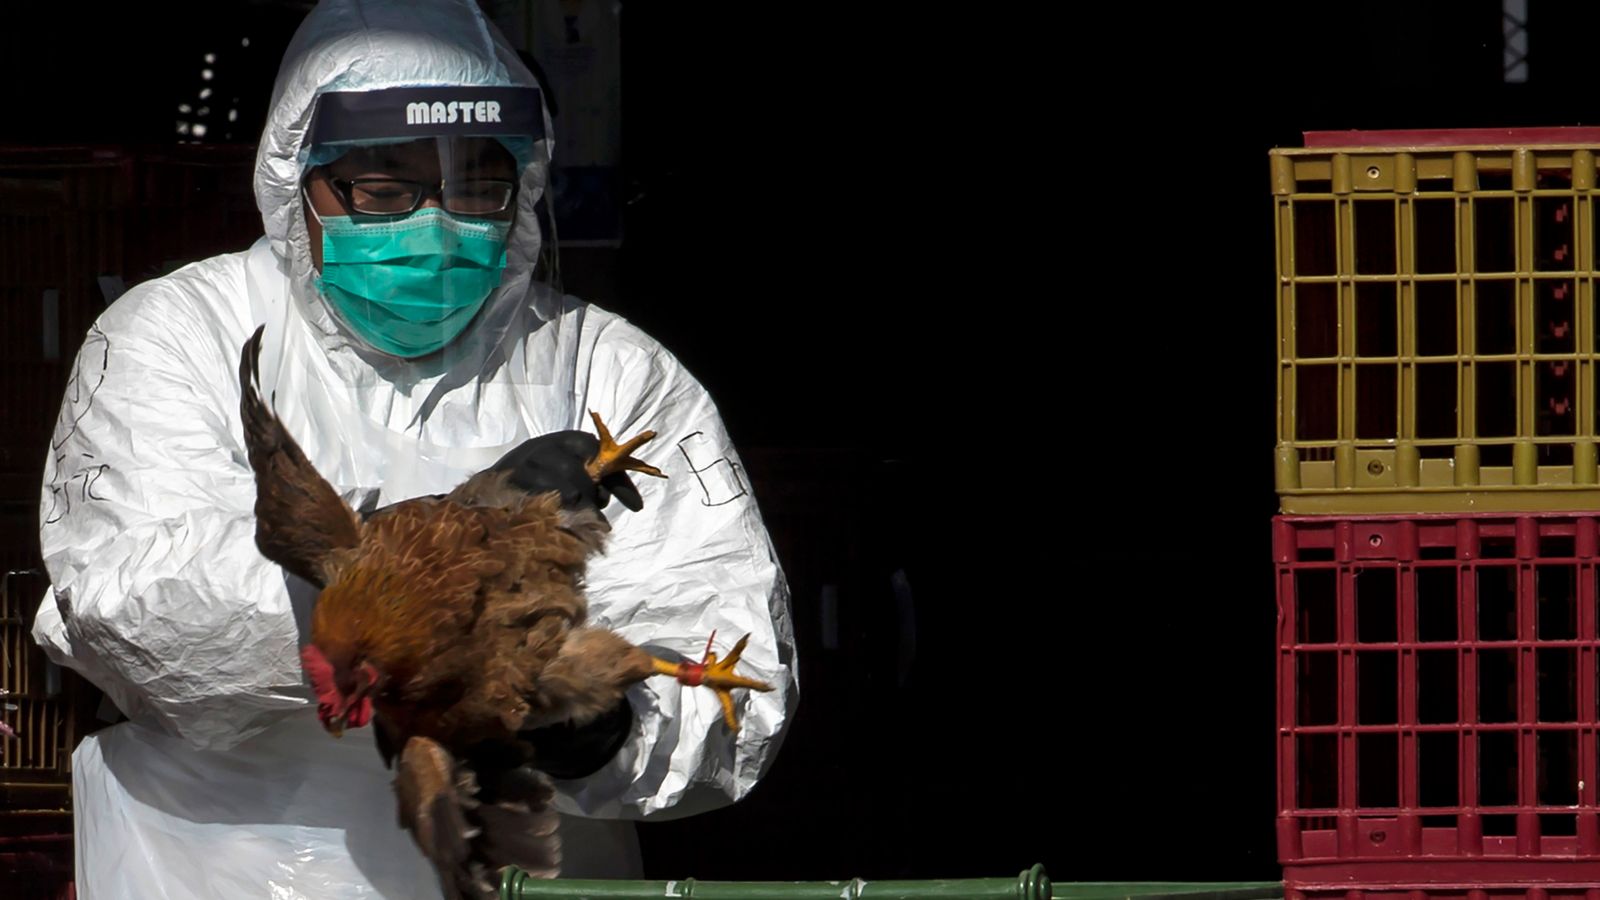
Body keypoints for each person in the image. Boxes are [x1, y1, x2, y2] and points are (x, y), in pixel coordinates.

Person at [29, 0, 798, 896]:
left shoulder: (611, 371)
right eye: (385, 191)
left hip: (521, 864)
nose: (435, 226)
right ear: (295, 182)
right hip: (213, 871)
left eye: (478, 188)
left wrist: (602, 730)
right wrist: (416, 587)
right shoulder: (178, 334)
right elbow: (131, 607)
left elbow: (736, 669)